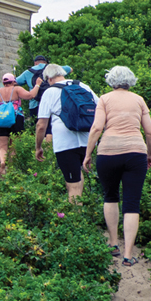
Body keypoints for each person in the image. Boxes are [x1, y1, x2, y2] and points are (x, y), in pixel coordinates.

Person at [82, 65, 151, 266]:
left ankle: (113, 243)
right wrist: (150, 154)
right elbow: (150, 132)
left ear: (111, 80)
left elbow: (97, 127)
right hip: (135, 153)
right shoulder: (139, 100)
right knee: (132, 202)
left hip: (108, 152)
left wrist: (88, 154)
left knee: (110, 195)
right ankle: (128, 254)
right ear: (131, 80)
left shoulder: (104, 99)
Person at [35, 64, 99, 202]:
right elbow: (100, 109)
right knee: (78, 176)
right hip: (87, 140)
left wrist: (38, 147)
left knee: (72, 185)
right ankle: (81, 211)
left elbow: (41, 125)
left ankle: (75, 220)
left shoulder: (50, 92)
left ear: (48, 78)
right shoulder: (83, 86)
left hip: (65, 144)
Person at [0, 73, 42, 176]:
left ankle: (3, 162)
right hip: (15, 117)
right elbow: (31, 95)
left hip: (1, 119)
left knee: (2, 147)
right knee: (14, 146)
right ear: (13, 81)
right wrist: (37, 85)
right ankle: (11, 170)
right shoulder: (17, 89)